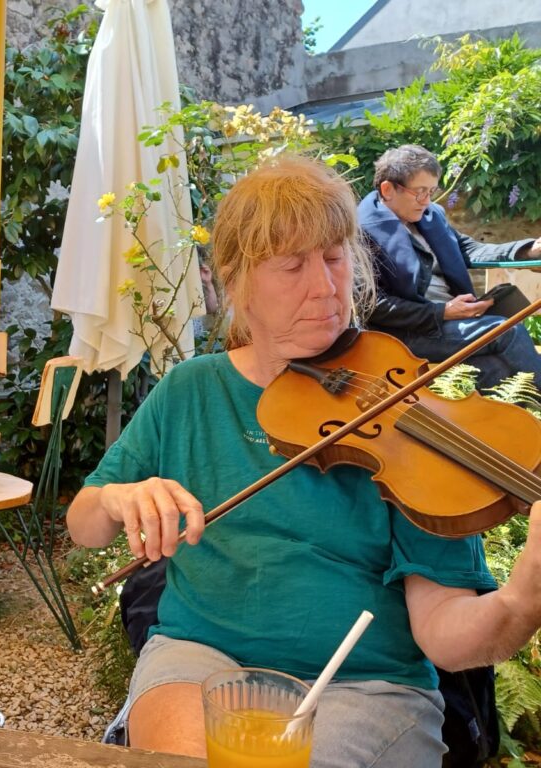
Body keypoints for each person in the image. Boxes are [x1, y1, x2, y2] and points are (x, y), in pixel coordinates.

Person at [66, 155, 541, 767]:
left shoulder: (408, 415)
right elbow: (84, 523)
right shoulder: (191, 390)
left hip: (365, 685)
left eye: (336, 258)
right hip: (199, 657)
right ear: (235, 282)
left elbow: (443, 630)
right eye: (292, 266)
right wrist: (115, 498)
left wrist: (520, 602)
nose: (325, 287)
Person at [359, 144, 541, 390]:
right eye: (419, 192)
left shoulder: (431, 215)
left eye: (432, 191)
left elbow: (468, 249)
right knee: (508, 330)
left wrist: (527, 250)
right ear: (388, 189)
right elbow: (372, 306)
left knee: (494, 369)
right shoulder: (359, 232)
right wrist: (442, 312)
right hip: (406, 332)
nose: (426, 201)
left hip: (450, 320)